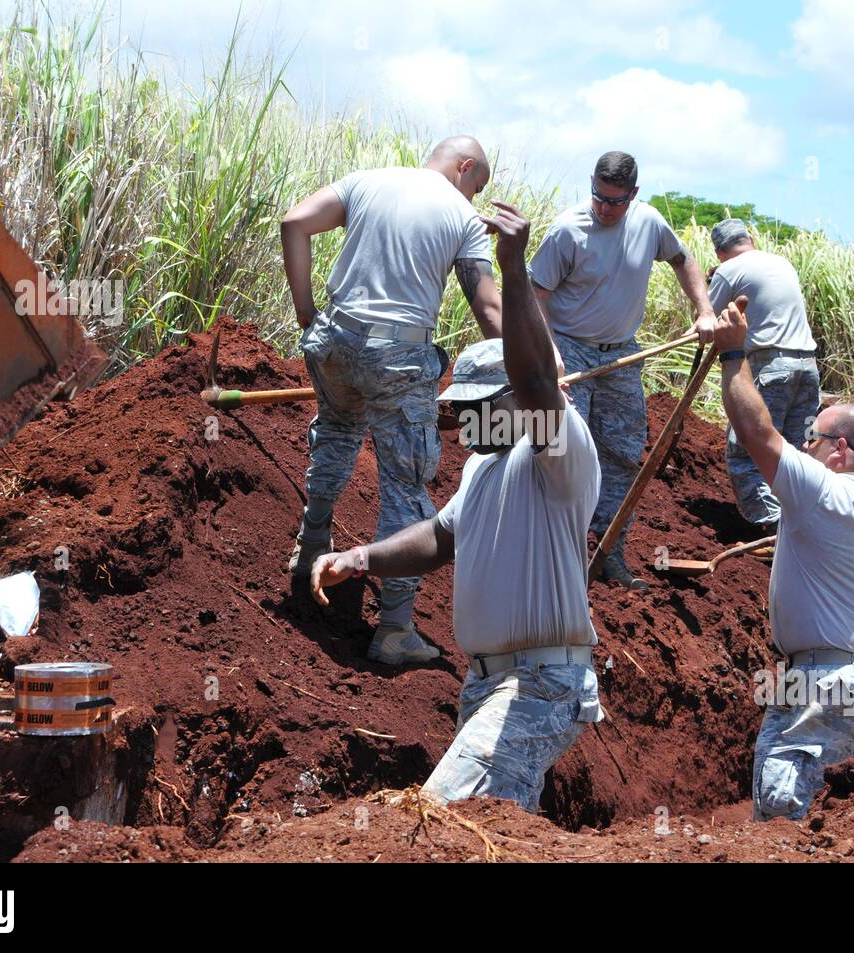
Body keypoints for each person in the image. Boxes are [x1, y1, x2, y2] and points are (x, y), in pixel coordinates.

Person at [310, 201, 604, 811]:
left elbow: (537, 381)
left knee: (443, 816)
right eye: (459, 408)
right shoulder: (482, 470)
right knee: (499, 828)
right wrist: (360, 557)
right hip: (490, 684)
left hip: (541, 684)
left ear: (514, 403)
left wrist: (514, 269)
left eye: (476, 407)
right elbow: (439, 539)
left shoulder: (554, 452)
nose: (463, 420)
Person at [280, 136, 503, 666]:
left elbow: (294, 223)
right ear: (466, 167)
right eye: (477, 187)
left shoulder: (367, 180)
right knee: (405, 483)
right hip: (398, 359)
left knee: (335, 433)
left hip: (334, 338)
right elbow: (489, 311)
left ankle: (311, 545)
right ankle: (396, 631)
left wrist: (307, 316)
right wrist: (527, 369)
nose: (473, 199)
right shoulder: (463, 217)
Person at [712, 296, 854, 819]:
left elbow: (756, 432)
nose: (803, 446)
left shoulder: (819, 490)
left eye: (810, 438)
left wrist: (733, 355)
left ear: (838, 448)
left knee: (787, 814)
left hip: (822, 681)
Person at [529, 150, 717, 591]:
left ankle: (609, 552)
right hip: (570, 351)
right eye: (598, 197)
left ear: (633, 194)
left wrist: (704, 309)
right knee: (561, 448)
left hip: (621, 357)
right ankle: (556, 554)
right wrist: (551, 353)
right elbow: (535, 294)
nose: (604, 208)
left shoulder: (649, 222)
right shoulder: (567, 230)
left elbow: (683, 259)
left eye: (615, 201)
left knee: (622, 452)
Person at [706, 218, 819, 530]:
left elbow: (708, 323)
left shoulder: (728, 270)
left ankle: (770, 529)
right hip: (807, 367)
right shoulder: (780, 262)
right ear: (750, 238)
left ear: (719, 253)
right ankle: (800, 525)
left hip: (772, 367)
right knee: (795, 452)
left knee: (747, 449)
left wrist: (714, 284)